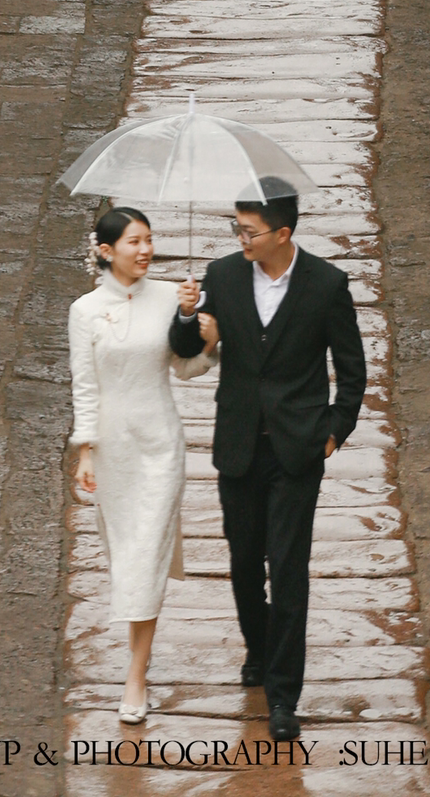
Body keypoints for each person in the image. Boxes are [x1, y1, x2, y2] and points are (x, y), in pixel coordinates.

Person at [166, 179, 367, 743]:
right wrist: (186, 318)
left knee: (288, 570)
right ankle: (258, 647)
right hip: (238, 445)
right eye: (237, 228)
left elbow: (353, 371)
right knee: (243, 563)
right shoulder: (223, 276)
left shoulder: (326, 284)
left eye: (249, 231)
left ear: (282, 233)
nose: (241, 238)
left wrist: (333, 433)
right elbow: (190, 351)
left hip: (296, 452)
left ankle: (283, 696)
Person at [68, 207, 218, 726]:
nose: (146, 250)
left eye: (149, 239)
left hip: (160, 445)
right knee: (127, 555)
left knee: (149, 551)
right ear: (106, 250)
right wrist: (86, 449)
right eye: (134, 241)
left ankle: (136, 673)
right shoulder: (85, 310)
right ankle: (138, 658)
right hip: (113, 450)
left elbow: (185, 368)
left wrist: (206, 337)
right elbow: (85, 385)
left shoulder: (171, 297)